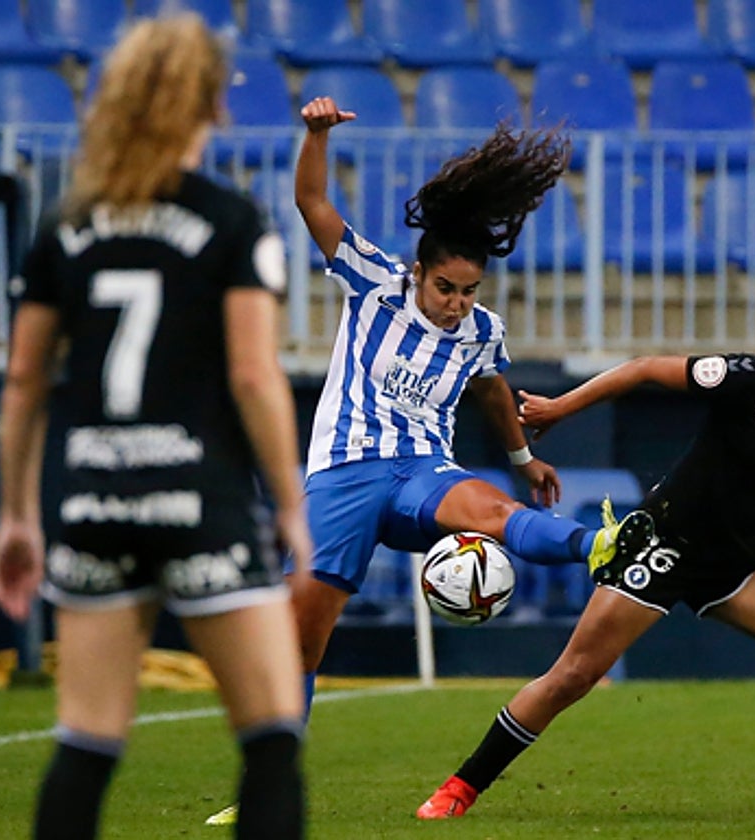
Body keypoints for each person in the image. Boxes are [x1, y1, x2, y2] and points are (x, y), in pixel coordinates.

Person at [204, 96, 655, 827]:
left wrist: (521, 456)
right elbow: (311, 199)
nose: (455, 303)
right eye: (446, 287)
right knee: (302, 635)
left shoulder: (481, 330)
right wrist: (314, 135)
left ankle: (599, 543)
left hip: (419, 469)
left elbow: (490, 388)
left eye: (469, 290)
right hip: (344, 473)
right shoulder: (373, 283)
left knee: (493, 511)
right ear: (419, 274)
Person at [0, 15, 308, 840]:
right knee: (271, 736)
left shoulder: (66, 225)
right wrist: (291, 505)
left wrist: (17, 515)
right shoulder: (233, 221)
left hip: (93, 502)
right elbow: (252, 374)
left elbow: (24, 377)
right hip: (200, 503)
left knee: (87, 741)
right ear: (209, 103)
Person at [416, 284, 755, 820]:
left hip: (737, 564)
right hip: (663, 545)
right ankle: (459, 789)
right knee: (573, 676)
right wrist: (560, 407)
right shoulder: (747, 380)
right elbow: (641, 369)